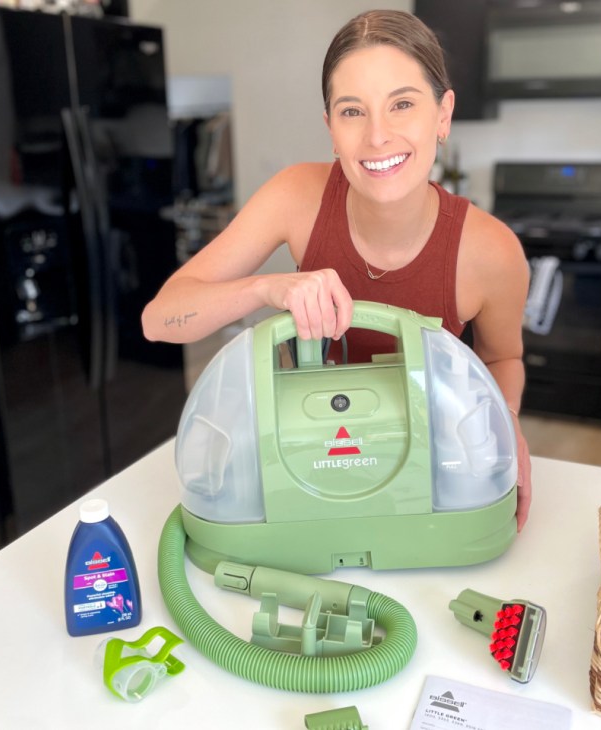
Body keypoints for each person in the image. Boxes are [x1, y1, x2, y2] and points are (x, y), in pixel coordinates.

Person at [142, 10, 532, 530]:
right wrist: (267, 286)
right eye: (353, 111)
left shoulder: (491, 252)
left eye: (402, 105)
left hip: (428, 481)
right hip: (305, 464)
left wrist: (507, 430)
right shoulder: (295, 196)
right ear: (330, 128)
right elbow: (158, 319)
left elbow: (503, 358)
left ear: (443, 115)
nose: (377, 136)